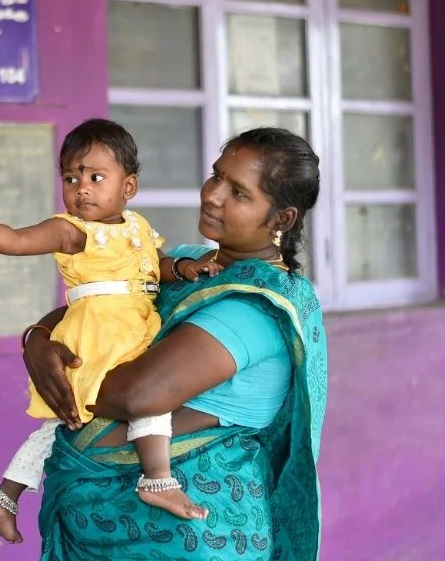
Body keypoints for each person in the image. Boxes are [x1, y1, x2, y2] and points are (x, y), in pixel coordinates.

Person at [23, 127, 328, 561]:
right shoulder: (184, 266)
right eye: (216, 176)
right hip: (103, 526)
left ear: (281, 219)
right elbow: (94, 308)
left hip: (189, 538)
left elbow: (135, 396)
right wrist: (36, 339)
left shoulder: (256, 308)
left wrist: (53, 361)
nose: (213, 195)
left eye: (238, 192)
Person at [0, 118, 222, 544]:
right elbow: (17, 239)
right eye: (71, 177)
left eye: (95, 177)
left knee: (66, 425)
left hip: (133, 323)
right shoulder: (71, 229)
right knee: (146, 396)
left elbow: (154, 265)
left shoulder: (137, 227)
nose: (81, 188)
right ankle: (158, 478)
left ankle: (6, 492)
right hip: (99, 333)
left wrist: (181, 268)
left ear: (128, 188)